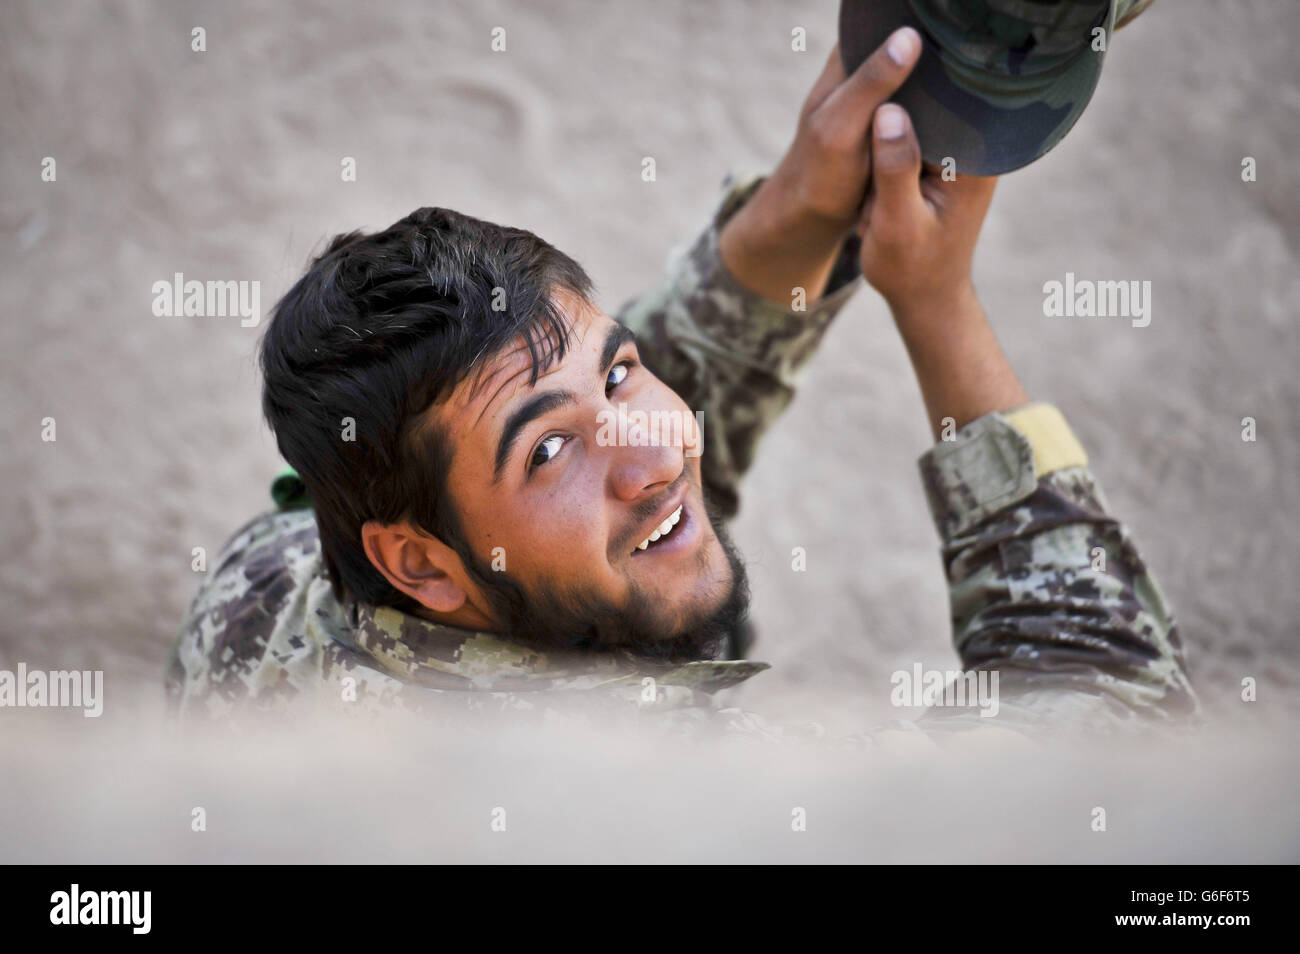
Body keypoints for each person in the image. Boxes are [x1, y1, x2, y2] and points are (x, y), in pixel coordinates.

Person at [166, 23, 1197, 740]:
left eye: (620, 372)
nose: (658, 448)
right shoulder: (681, 789)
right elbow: (1109, 710)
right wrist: (938, 308)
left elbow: (579, 441)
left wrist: (797, 210)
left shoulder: (278, 572)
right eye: (548, 450)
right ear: (421, 565)